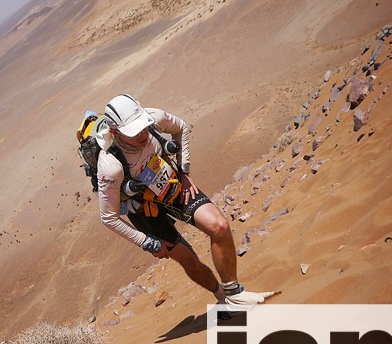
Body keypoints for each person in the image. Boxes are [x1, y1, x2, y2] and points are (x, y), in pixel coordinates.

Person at [94, 94, 273, 312]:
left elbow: (180, 127)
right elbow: (108, 217)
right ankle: (222, 299)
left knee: (219, 226)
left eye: (143, 127)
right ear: (115, 133)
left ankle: (234, 293)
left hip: (171, 185)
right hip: (144, 210)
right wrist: (145, 241)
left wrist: (184, 171)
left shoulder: (155, 118)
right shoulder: (110, 165)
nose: (143, 134)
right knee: (190, 261)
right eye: (134, 132)